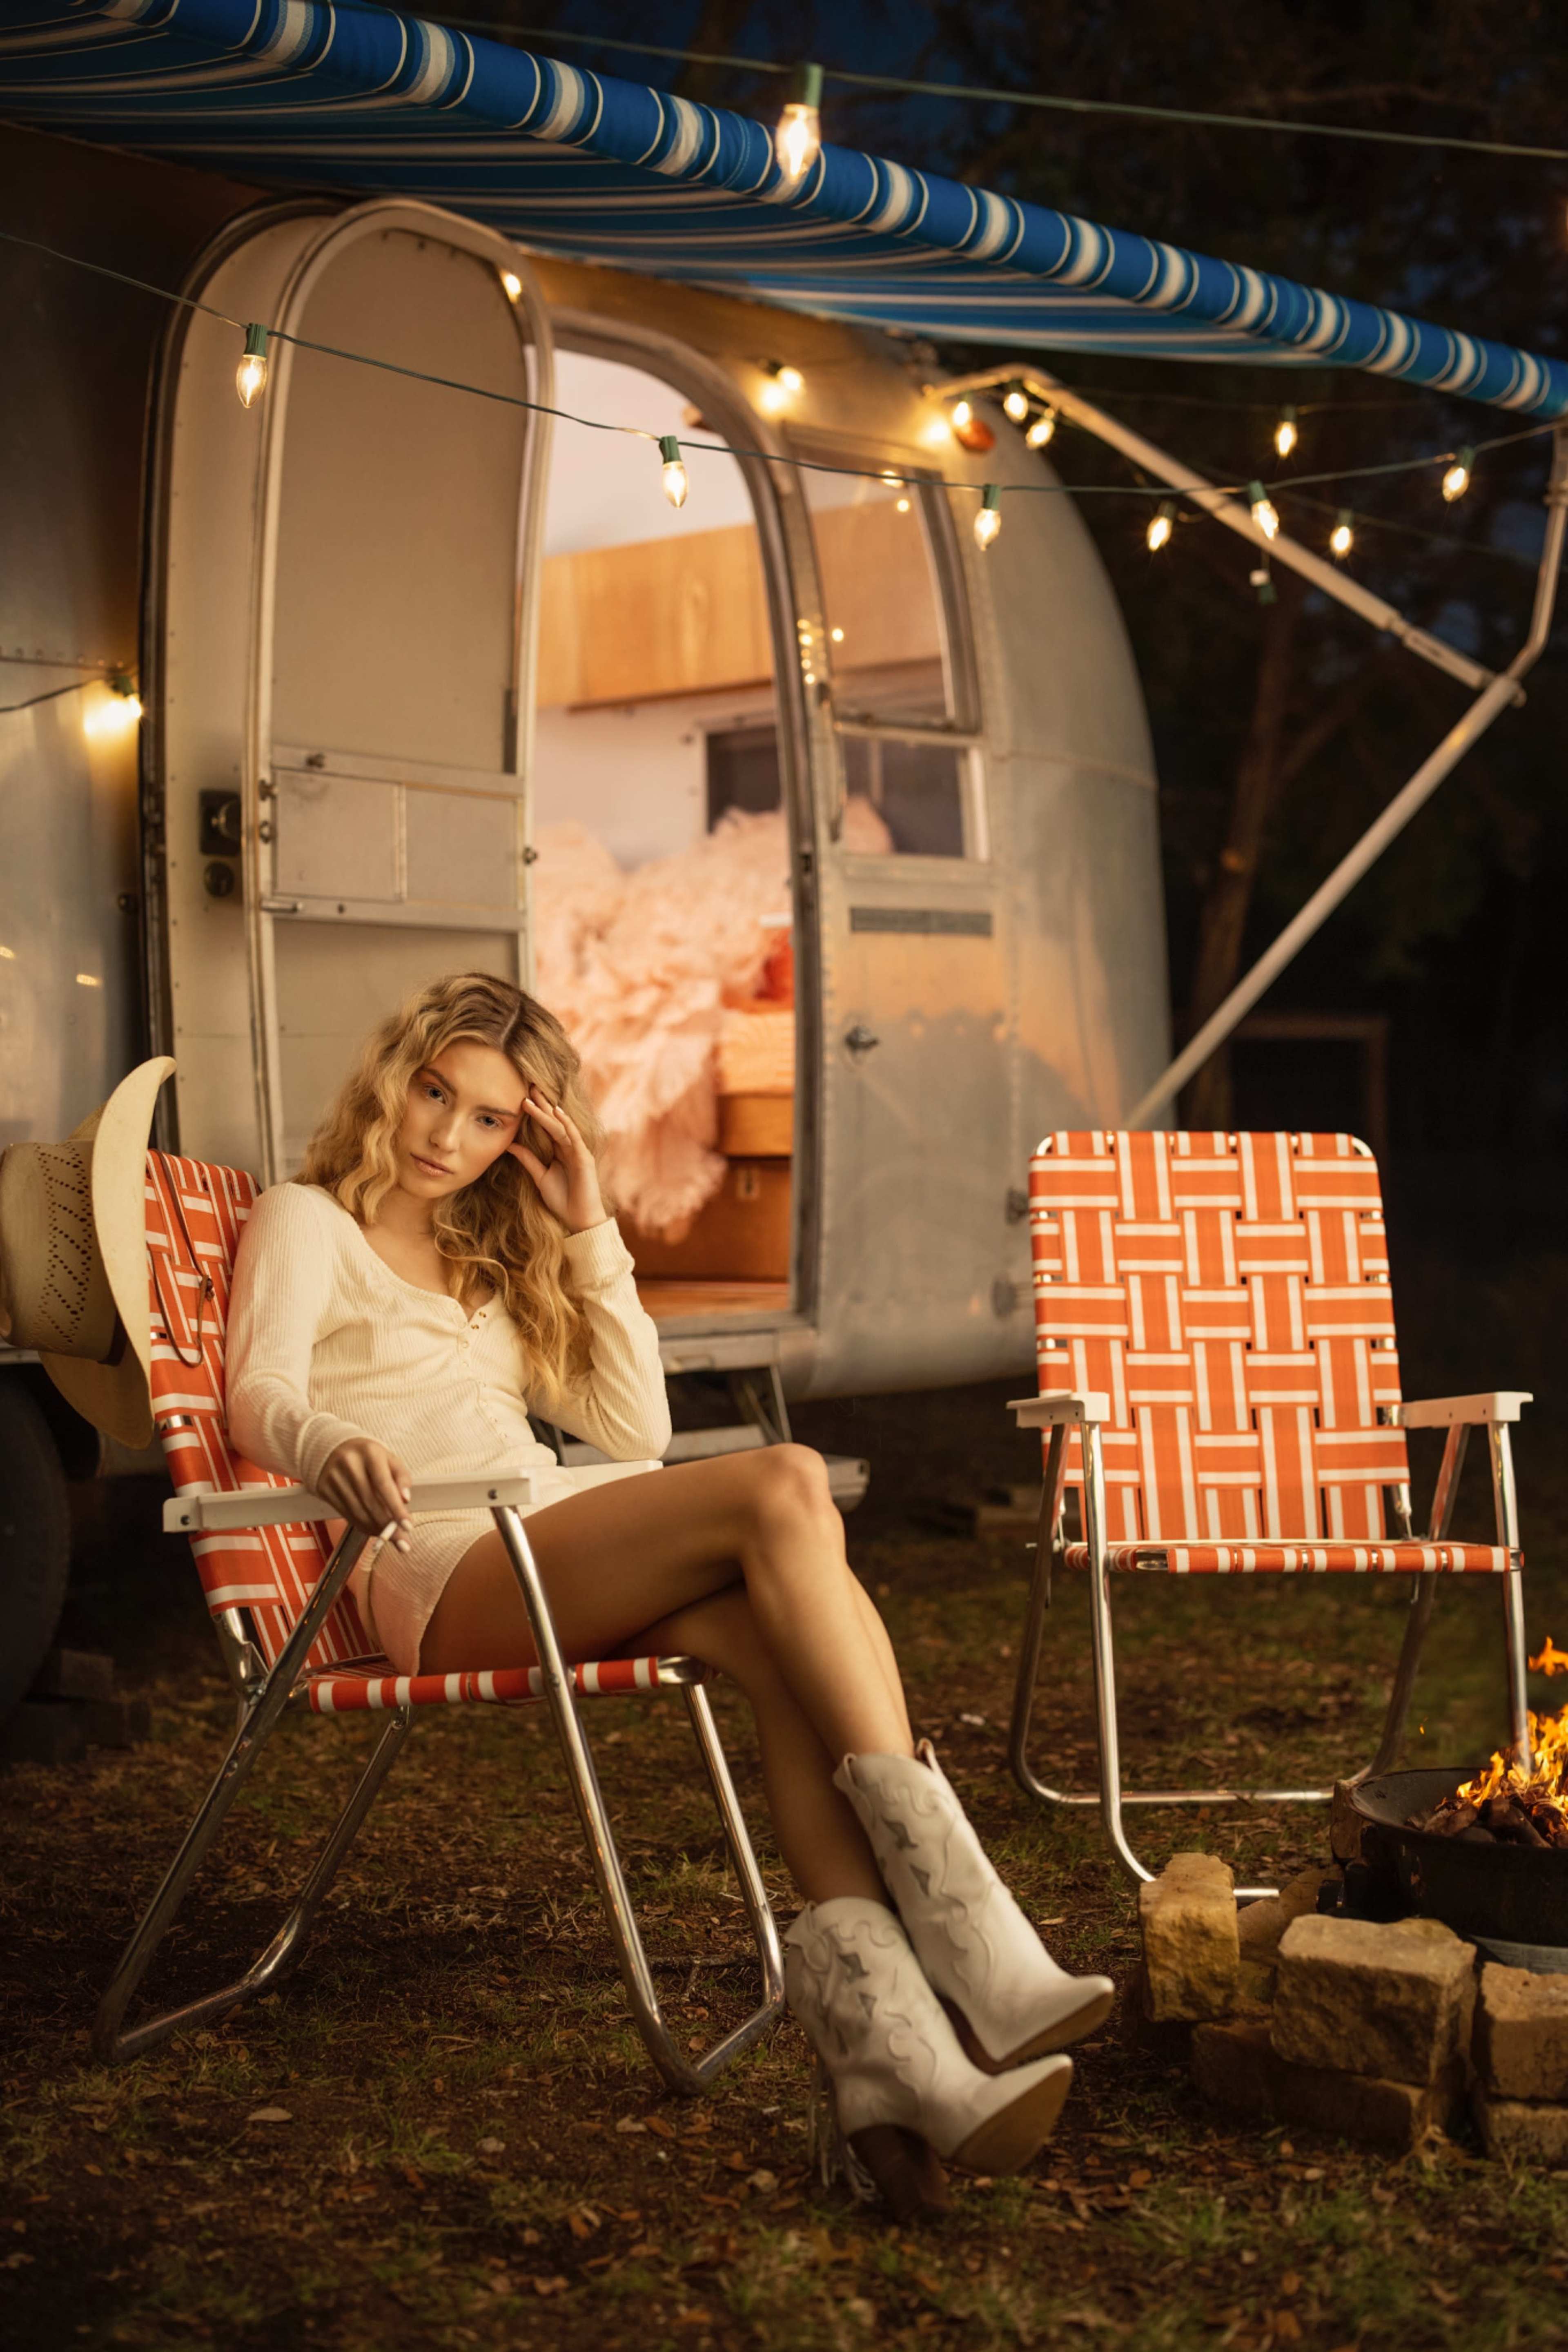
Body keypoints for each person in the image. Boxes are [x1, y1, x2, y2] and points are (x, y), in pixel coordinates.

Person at [226, 971, 1111, 2217]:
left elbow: (633, 1428)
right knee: (788, 1479)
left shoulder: (487, 1260)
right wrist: (326, 1443)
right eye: (434, 1093)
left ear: (521, 1139)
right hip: (440, 1573)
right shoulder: (307, 1220)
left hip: (542, 1544)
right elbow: (256, 1392)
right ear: (392, 1080)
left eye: (489, 1119)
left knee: (773, 1641)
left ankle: (900, 2068)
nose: (447, 1135)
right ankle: (974, 1940)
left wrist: (589, 1225)